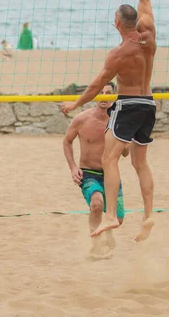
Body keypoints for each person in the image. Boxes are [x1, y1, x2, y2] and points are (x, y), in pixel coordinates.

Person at [60, 0, 157, 242]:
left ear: (116, 24)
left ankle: (112, 215)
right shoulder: (148, 33)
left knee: (109, 158)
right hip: (149, 103)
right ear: (135, 20)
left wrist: (75, 105)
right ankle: (149, 213)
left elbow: (94, 88)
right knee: (140, 164)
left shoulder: (117, 54)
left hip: (127, 104)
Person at [62, 82, 129, 258]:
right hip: (89, 173)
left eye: (108, 93)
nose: (104, 96)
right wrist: (73, 167)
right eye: (100, 92)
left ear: (113, 96)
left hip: (110, 174)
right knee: (97, 204)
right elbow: (66, 141)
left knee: (119, 219)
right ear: (94, 96)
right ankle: (96, 245)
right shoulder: (82, 119)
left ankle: (107, 232)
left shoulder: (118, 120)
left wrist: (125, 137)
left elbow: (126, 153)